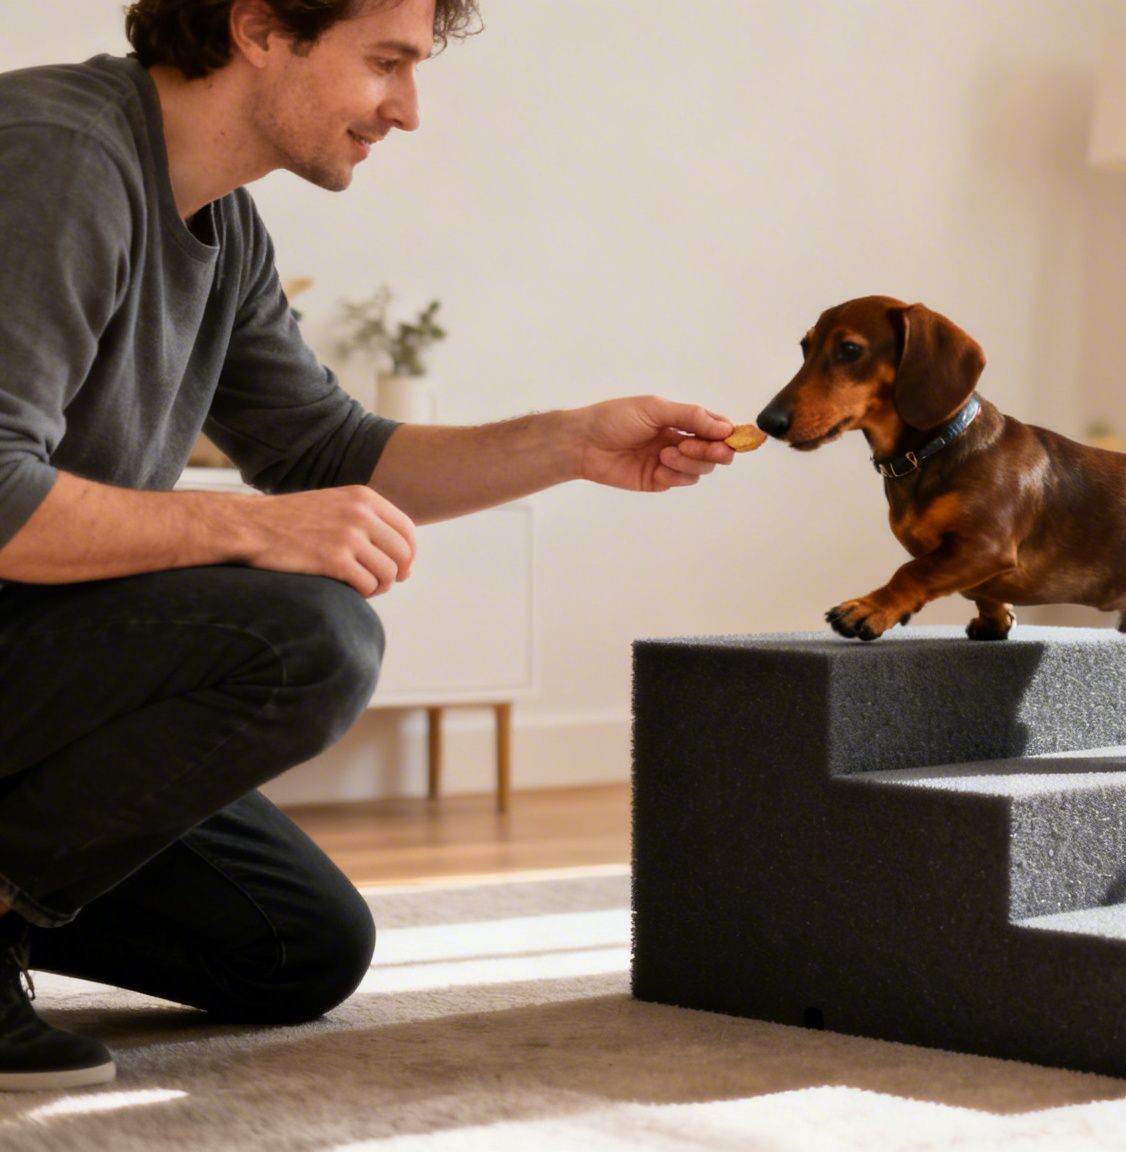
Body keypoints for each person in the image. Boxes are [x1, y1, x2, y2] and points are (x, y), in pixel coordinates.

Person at [0, 0, 737, 1091]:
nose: (407, 110)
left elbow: (327, 449)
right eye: (385, 64)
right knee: (311, 637)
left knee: (294, 945)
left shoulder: (224, 225)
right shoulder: (59, 161)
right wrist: (250, 525)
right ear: (258, 28)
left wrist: (575, 441)